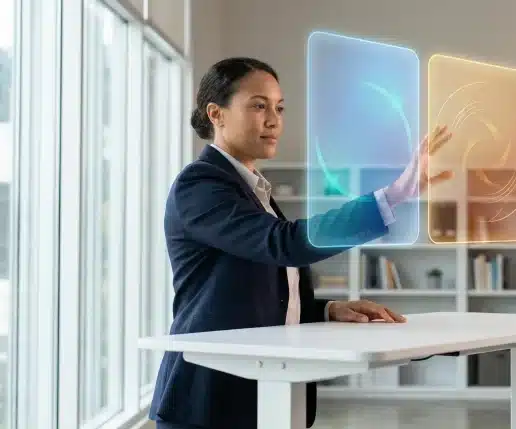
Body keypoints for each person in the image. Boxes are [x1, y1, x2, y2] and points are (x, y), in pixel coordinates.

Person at [148, 57, 454, 429]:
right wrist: (391, 197)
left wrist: (326, 310)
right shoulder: (200, 186)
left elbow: (257, 293)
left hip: (260, 398)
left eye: (279, 107)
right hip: (208, 402)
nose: (273, 120)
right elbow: (284, 244)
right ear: (217, 114)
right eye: (258, 106)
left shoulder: (252, 188)